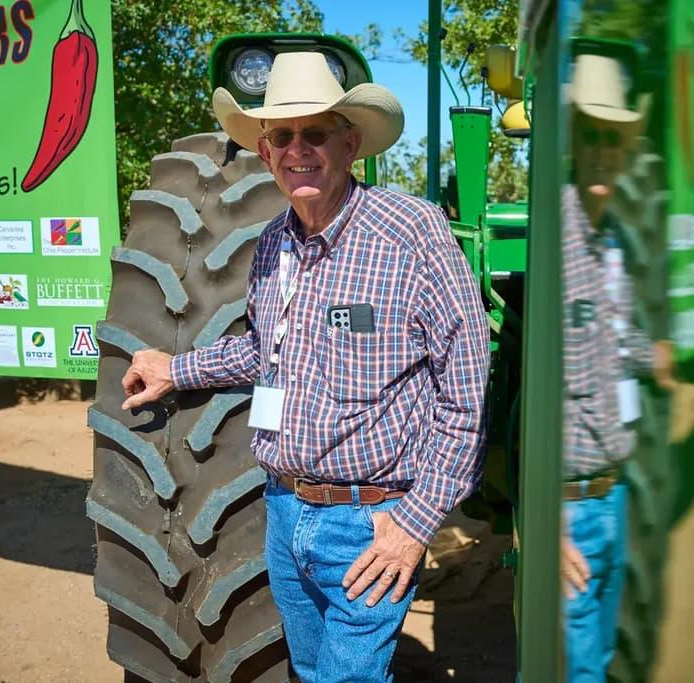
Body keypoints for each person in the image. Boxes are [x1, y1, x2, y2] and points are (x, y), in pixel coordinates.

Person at [119, 52, 490, 682]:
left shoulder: (411, 232)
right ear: (265, 155)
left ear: (349, 144)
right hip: (286, 513)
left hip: (370, 522)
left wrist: (415, 523)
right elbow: (266, 350)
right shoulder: (273, 244)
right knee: (312, 674)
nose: (299, 149)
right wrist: (175, 369)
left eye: (315, 132)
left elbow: (466, 390)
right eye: (283, 136)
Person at [559, 53, 675, 682]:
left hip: (614, 494)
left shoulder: (614, 244)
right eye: (593, 136)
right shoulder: (554, 241)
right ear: (573, 141)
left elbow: (620, 338)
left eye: (614, 138)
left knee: (598, 658)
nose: (604, 151)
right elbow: (528, 398)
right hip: (570, 507)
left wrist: (659, 358)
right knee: (573, 667)